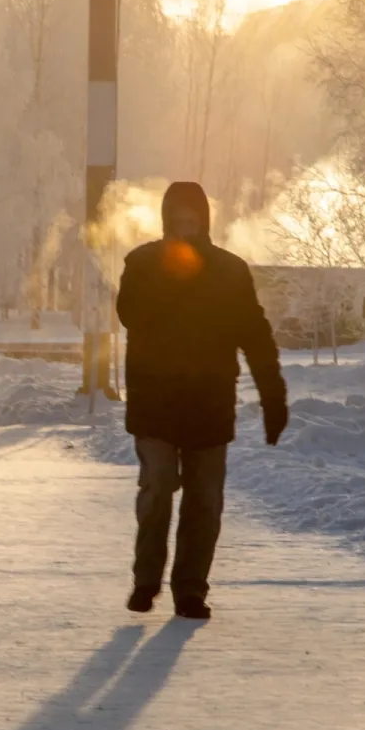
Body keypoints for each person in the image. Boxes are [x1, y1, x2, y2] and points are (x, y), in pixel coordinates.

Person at [116, 181, 288, 619]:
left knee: (204, 500)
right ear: (167, 218)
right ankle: (146, 580)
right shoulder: (141, 263)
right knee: (156, 489)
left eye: (192, 217)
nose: (185, 224)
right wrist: (167, 275)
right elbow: (129, 315)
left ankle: (190, 590)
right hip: (155, 401)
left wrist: (273, 398)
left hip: (208, 402)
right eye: (178, 217)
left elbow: (255, 334)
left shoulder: (230, 271)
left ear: (204, 220)